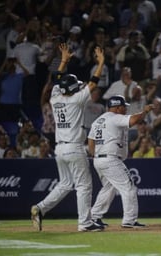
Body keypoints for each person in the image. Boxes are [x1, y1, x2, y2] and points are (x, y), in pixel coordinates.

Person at [31, 43, 105, 232]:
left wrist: (63, 60)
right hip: (73, 147)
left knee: (65, 184)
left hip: (60, 149)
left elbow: (56, 79)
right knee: (83, 185)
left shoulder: (55, 97)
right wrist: (101, 62)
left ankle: (40, 209)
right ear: (73, 88)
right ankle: (85, 223)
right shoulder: (76, 99)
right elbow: (93, 82)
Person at [88, 95, 153, 228]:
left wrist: (96, 155)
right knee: (129, 188)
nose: (125, 109)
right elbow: (134, 120)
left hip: (99, 159)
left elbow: (90, 140)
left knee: (109, 188)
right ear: (117, 107)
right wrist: (145, 111)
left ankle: (94, 216)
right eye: (124, 107)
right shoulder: (114, 117)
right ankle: (129, 220)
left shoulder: (98, 121)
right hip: (111, 159)